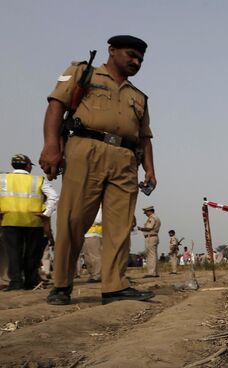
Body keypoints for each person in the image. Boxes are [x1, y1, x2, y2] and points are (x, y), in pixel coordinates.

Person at [40, 35, 156, 305]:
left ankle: (114, 286)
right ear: (112, 51)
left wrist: (150, 168)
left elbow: (145, 137)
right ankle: (61, 284)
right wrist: (50, 147)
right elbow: (57, 105)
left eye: (140, 59)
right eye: (131, 55)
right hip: (85, 149)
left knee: (120, 225)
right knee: (73, 219)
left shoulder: (138, 96)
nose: (136, 62)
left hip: (126, 159)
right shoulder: (83, 73)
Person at [0, 154, 59, 291]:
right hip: (34, 222)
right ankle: (30, 282)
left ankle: (16, 283)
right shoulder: (38, 180)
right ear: (28, 166)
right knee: (32, 254)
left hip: (10, 221)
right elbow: (53, 196)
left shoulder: (3, 179)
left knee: (14, 254)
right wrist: (46, 213)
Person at [137, 206, 160, 277]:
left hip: (151, 237)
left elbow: (149, 228)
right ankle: (155, 272)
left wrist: (139, 228)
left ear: (150, 211)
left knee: (151, 255)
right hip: (153, 237)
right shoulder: (156, 218)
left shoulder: (152, 218)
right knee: (153, 255)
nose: (145, 214)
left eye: (146, 212)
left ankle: (151, 273)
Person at [81, 208, 103, 283]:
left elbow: (98, 219)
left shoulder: (97, 205)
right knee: (87, 257)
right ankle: (93, 274)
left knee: (95, 256)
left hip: (94, 232)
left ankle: (97, 275)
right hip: (86, 233)